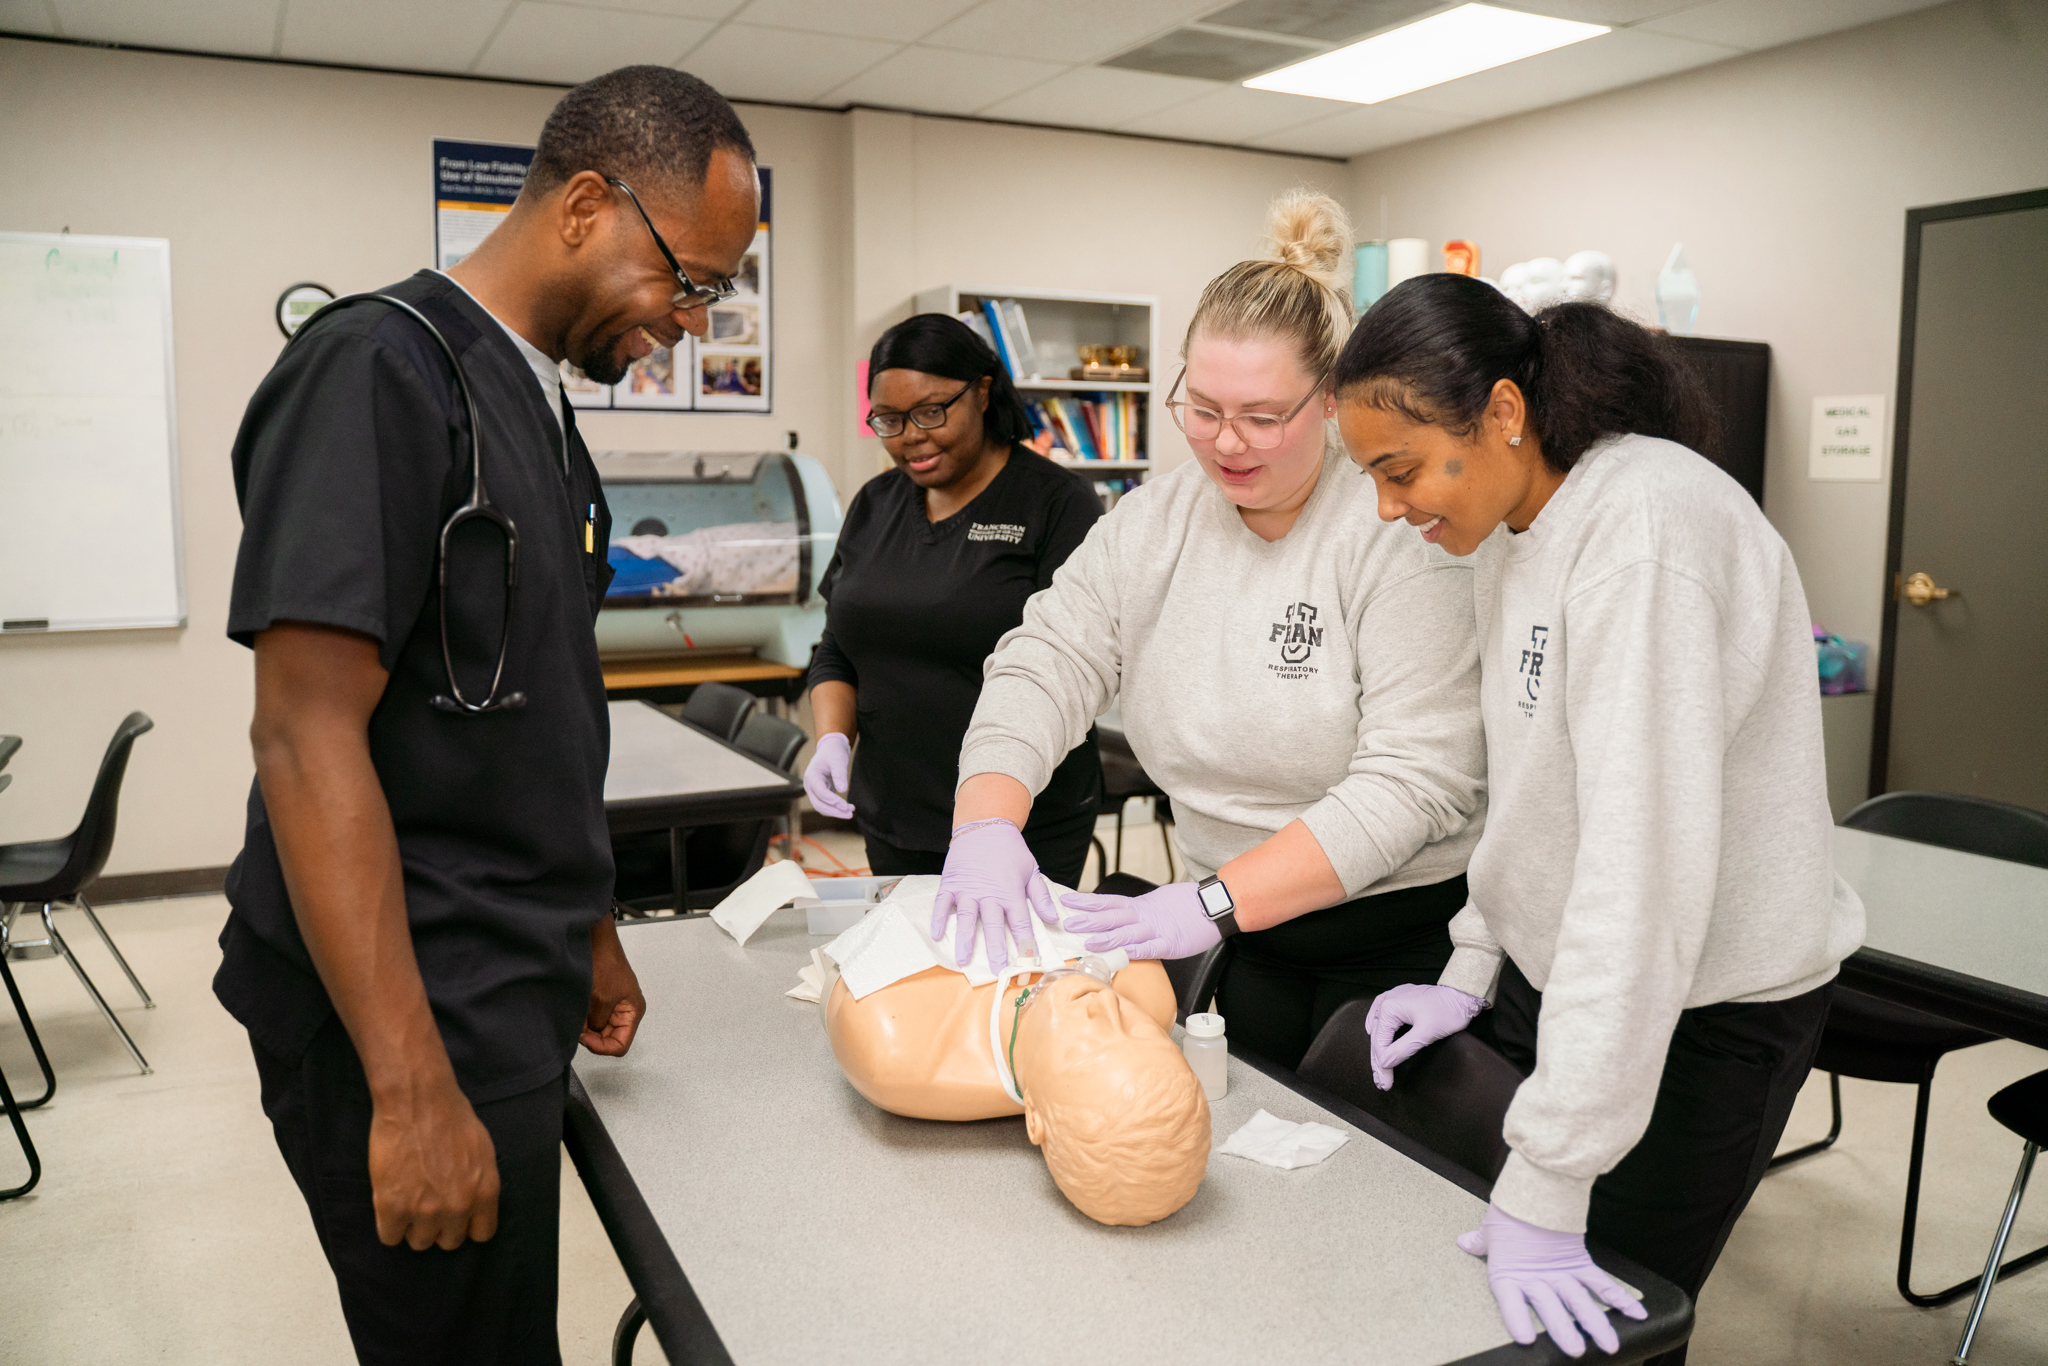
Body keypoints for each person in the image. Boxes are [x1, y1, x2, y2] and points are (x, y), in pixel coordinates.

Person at [215, 67, 761, 1365]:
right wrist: (409, 1092)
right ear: (586, 204)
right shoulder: (375, 371)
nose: (690, 322)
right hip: (404, 1009)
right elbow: (303, 733)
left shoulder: (534, 404)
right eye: (687, 279)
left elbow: (532, 708)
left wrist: (591, 927)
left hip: (503, 972)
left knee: (508, 1327)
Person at [1336, 275, 1863, 1362]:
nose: (1389, 508)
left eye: (1397, 470)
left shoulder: (1642, 537)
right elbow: (1530, 792)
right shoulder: (1518, 520)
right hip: (1571, 982)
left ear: (1502, 413)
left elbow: (1642, 879)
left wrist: (1551, 1170)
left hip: (1702, 1006)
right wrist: (1467, 968)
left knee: (1597, 1326)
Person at [941, 191, 1489, 1069]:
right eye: (1202, 408)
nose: (1227, 443)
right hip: (1233, 930)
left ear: (1332, 401)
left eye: (1264, 416)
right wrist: (986, 824)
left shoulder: (1397, 530)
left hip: (1393, 944)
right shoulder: (1149, 525)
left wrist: (1211, 904)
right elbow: (1045, 661)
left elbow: (1415, 780)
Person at [804, 314, 1103, 955]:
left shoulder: (1057, 504)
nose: (910, 438)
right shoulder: (875, 504)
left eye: (932, 412)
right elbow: (837, 646)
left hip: (1022, 821)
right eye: (888, 419)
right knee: (912, 980)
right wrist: (832, 737)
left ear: (983, 391)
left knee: (1008, 988)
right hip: (895, 809)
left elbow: (1079, 664)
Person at [822, 886, 1205, 1226]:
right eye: (1145, 1035)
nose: (1103, 1005)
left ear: (1034, 1118)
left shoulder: (896, 1045)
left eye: (1086, 1050)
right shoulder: (1146, 992)